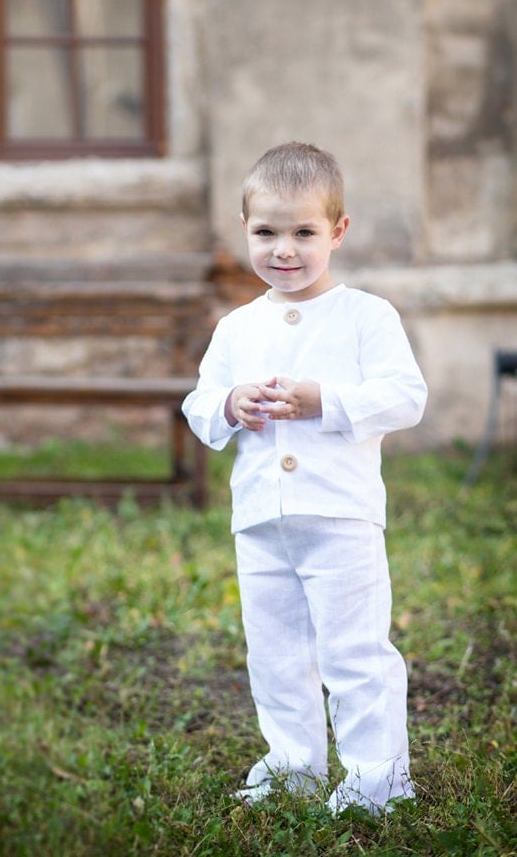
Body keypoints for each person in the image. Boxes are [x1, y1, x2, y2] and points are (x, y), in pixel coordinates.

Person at [182, 141, 427, 814]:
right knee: (275, 655)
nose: (282, 250)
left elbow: (406, 396)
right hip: (261, 521)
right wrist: (230, 405)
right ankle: (292, 767)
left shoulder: (365, 316)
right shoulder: (235, 327)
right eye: (266, 232)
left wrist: (326, 400)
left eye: (302, 233)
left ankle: (374, 783)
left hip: (339, 516)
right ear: (244, 231)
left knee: (353, 652)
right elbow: (199, 407)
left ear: (337, 232)